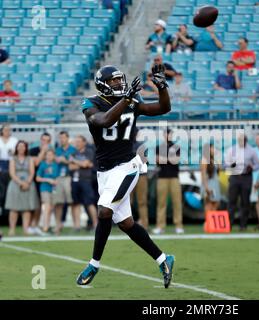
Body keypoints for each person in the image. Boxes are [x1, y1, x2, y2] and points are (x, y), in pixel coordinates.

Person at [77, 64, 174, 288]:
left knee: (104, 212)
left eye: (120, 79)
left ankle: (94, 264)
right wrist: (127, 100)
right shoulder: (91, 103)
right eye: (113, 81)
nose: (119, 84)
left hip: (128, 166)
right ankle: (163, 259)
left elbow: (162, 108)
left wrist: (161, 87)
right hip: (105, 172)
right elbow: (103, 121)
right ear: (102, 84)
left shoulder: (131, 99)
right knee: (127, 224)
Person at [225, 134, 259, 231]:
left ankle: (243, 225)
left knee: (245, 202)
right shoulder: (231, 150)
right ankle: (229, 224)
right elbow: (225, 164)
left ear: (246, 141)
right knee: (231, 201)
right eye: (239, 140)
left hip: (246, 176)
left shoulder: (252, 151)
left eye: (243, 140)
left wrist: (252, 167)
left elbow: (257, 164)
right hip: (235, 176)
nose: (241, 142)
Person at [153, 129, 184, 235]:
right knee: (161, 203)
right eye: (166, 133)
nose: (168, 135)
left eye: (169, 133)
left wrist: (164, 158)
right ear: (163, 135)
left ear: (172, 135)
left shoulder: (176, 147)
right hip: (162, 177)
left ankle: (178, 225)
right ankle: (160, 226)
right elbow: (157, 160)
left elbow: (175, 160)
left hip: (174, 177)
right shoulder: (159, 147)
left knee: (177, 202)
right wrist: (169, 158)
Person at [5, 141, 39, 236]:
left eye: (23, 146)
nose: (21, 148)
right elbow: (12, 173)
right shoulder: (13, 159)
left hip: (28, 184)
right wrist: (20, 183)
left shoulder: (30, 159)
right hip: (15, 184)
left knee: (26, 208)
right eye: (19, 146)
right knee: (14, 208)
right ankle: (12, 229)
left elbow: (32, 172)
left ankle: (25, 229)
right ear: (16, 148)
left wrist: (27, 182)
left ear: (26, 148)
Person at [68, 135, 98, 232]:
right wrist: (83, 164)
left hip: (86, 180)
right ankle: (77, 226)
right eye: (76, 141)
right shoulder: (73, 152)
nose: (77, 143)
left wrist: (75, 161)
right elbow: (71, 167)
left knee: (89, 203)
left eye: (79, 141)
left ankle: (96, 224)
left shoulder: (89, 152)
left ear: (84, 142)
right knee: (76, 203)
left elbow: (87, 164)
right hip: (75, 180)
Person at [29, 132, 52, 236]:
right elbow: (36, 162)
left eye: (48, 141)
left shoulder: (51, 152)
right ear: (40, 140)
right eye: (44, 140)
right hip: (34, 180)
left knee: (42, 205)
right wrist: (43, 151)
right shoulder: (33, 150)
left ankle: (36, 225)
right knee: (34, 204)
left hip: (47, 182)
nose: (45, 143)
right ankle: (30, 225)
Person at [55, 131, 76, 234]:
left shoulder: (73, 149)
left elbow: (75, 162)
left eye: (63, 137)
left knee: (71, 201)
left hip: (69, 177)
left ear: (68, 138)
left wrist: (65, 160)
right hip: (59, 177)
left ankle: (75, 225)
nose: (62, 139)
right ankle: (58, 224)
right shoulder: (57, 150)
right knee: (58, 203)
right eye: (60, 138)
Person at [36, 149, 59, 234]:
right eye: (48, 155)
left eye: (51, 155)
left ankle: (48, 225)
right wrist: (48, 180)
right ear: (45, 156)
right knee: (47, 206)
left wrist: (55, 181)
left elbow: (57, 177)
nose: (49, 156)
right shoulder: (42, 165)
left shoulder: (55, 165)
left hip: (53, 189)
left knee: (51, 208)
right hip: (44, 188)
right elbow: (37, 178)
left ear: (53, 156)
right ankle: (44, 227)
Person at [130, 129, 149, 230]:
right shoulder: (125, 145)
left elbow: (144, 160)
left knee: (142, 201)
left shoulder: (141, 145)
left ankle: (144, 224)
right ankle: (128, 224)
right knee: (127, 201)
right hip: (128, 175)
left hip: (140, 175)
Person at [0, 125, 18, 216]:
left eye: (9, 130)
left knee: (9, 190)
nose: (7, 131)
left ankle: (7, 213)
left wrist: (13, 153)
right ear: (2, 131)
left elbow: (18, 152)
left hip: (11, 163)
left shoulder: (14, 140)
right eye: (5, 130)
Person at [201, 143, 221, 212]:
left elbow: (218, 171)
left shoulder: (214, 159)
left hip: (215, 184)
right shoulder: (204, 160)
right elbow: (203, 175)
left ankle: (211, 221)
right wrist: (206, 188)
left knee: (216, 203)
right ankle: (207, 222)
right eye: (212, 148)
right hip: (208, 184)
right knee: (209, 204)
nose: (213, 150)